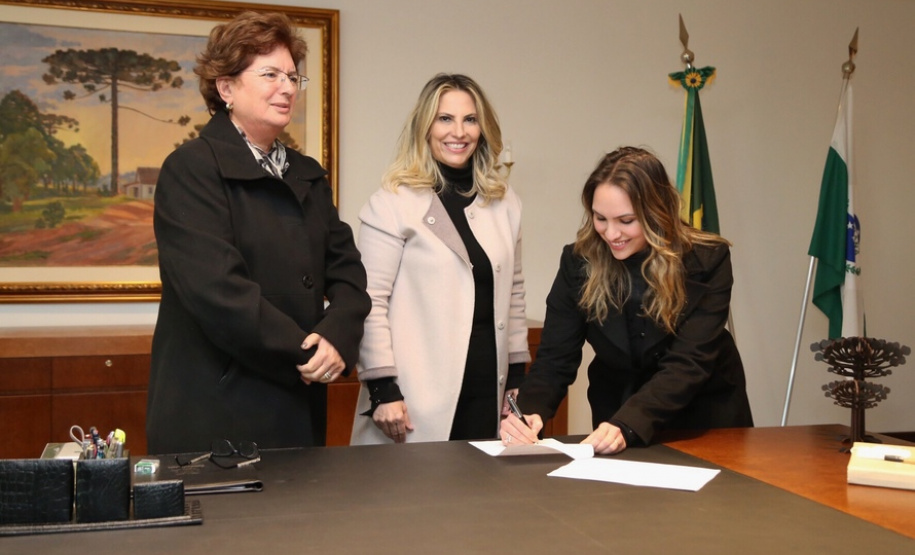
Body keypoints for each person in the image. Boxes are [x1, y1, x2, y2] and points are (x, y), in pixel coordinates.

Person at [146, 12, 370, 454]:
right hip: (217, 410)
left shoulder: (306, 174)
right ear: (226, 87)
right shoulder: (191, 168)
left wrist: (337, 336)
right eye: (270, 74)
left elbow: (348, 272)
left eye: (292, 76)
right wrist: (304, 352)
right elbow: (218, 291)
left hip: (298, 401)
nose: (287, 87)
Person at [500, 146, 753, 455]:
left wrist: (628, 423)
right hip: (616, 413)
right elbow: (555, 357)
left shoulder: (706, 260)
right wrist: (530, 410)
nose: (611, 233)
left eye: (626, 220)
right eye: (600, 218)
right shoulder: (578, 261)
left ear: (656, 212)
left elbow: (689, 363)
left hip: (702, 417)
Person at [350, 73, 530, 444]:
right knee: (415, 499)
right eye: (445, 118)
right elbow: (368, 301)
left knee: (481, 498)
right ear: (425, 126)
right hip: (412, 397)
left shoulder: (505, 201)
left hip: (486, 390)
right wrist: (383, 389)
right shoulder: (391, 203)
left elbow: (514, 293)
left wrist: (515, 381)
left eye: (470, 119)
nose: (458, 132)